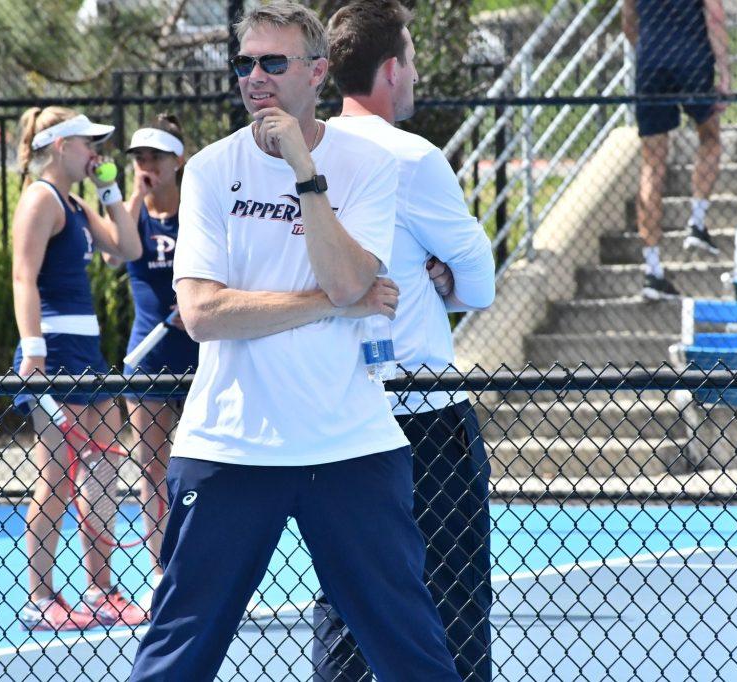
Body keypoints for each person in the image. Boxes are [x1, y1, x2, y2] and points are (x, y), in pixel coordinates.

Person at [128, 3, 460, 680]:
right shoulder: (211, 170)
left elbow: (347, 279)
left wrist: (305, 169)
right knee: (175, 657)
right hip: (231, 443)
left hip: (351, 445)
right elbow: (203, 312)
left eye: (273, 62)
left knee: (414, 653)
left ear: (317, 72)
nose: (255, 77)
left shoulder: (367, 165)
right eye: (245, 62)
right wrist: (328, 307)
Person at [314, 2, 496, 680]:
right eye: (411, 60)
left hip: (338, 415)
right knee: (450, 610)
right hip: (422, 422)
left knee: (344, 607)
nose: (414, 73)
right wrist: (441, 281)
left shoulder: (310, 154)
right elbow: (479, 284)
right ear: (391, 70)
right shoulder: (412, 159)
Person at [11, 106, 147, 630]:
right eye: (87, 142)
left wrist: (110, 190)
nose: (96, 151)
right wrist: (34, 354)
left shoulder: (75, 202)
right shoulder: (39, 199)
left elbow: (128, 248)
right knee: (57, 476)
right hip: (54, 353)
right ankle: (40, 597)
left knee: (104, 471)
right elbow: (23, 278)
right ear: (62, 145)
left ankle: (99, 590)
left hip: (87, 357)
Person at [104, 113, 199, 611]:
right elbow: (114, 258)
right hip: (148, 356)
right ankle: (162, 571)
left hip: (203, 356)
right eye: (140, 158)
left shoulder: (200, 209)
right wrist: (134, 198)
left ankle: (206, 566)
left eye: (156, 158)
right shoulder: (131, 212)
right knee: (150, 466)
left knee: (210, 467)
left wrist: (201, 303)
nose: (146, 166)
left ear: (177, 161)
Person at [622, 0, 729, 300]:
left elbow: (628, 22)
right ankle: (696, 223)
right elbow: (716, 15)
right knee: (710, 138)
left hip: (651, 62)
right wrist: (725, 73)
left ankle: (652, 269)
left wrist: (649, 52)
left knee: (652, 164)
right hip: (692, 57)